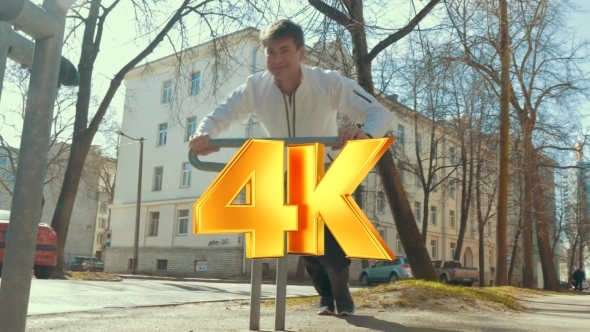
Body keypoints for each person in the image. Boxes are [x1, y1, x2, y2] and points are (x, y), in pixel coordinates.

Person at [189, 19, 393, 316]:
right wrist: (203, 134)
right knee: (307, 249)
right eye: (271, 52)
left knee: (332, 252)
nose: (277, 59)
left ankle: (343, 296)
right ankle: (324, 298)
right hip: (284, 173)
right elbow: (220, 114)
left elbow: (379, 113)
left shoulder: (328, 82)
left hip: (322, 171)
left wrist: (364, 133)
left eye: (285, 51)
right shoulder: (255, 87)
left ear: (302, 53)